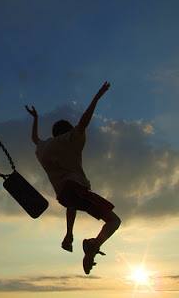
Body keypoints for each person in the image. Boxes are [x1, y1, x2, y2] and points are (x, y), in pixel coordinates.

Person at [25, 82, 121, 274]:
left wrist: (35, 118)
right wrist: (98, 95)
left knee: (72, 202)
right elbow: (84, 121)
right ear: (68, 130)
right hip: (75, 189)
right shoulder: (69, 138)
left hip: (64, 195)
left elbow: (35, 139)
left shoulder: (43, 148)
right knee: (114, 221)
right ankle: (93, 244)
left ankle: (69, 236)